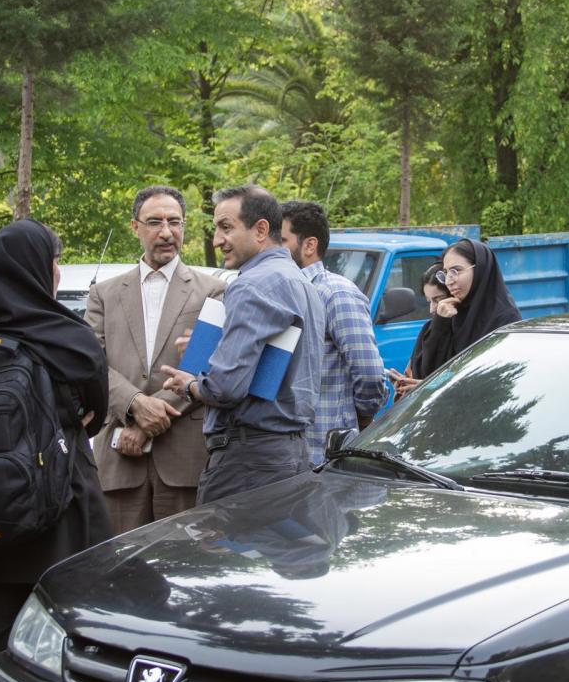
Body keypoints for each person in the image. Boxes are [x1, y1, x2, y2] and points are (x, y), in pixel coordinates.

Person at [0, 219, 112, 682]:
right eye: (54, 262)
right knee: (61, 640)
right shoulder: (69, 338)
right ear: (39, 270)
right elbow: (95, 415)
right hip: (59, 510)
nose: (57, 272)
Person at [160, 185, 325, 504]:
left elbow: (225, 388)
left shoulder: (251, 285)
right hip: (292, 454)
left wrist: (190, 386)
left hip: (247, 462)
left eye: (226, 227)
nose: (216, 240)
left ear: (261, 230)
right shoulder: (301, 282)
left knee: (222, 540)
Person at [84, 185, 226, 534]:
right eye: (155, 222)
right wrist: (133, 404)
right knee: (120, 560)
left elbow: (207, 366)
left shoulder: (212, 290)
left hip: (184, 459)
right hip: (119, 455)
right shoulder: (103, 294)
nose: (166, 232)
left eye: (174, 222)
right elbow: (91, 364)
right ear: (135, 227)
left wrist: (147, 420)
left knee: (186, 560)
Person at [280, 201, 386, 465]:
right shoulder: (283, 292)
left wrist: (361, 419)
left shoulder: (336, 293)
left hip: (325, 454)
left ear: (309, 245)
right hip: (287, 453)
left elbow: (369, 374)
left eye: (281, 241)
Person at [395, 239, 522, 397]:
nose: (449, 281)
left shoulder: (505, 320)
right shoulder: (455, 315)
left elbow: (491, 381)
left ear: (480, 268)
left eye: (456, 271)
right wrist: (440, 324)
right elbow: (428, 372)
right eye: (446, 273)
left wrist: (433, 388)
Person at [402, 262, 450, 386]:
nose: (432, 309)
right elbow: (415, 371)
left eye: (438, 300)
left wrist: (425, 387)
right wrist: (404, 382)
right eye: (429, 301)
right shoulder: (428, 329)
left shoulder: (465, 331)